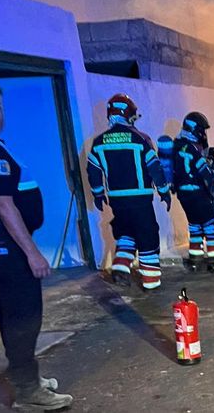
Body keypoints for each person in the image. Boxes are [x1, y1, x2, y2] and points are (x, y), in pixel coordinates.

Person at [0, 78, 73, 410]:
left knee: (9, 314)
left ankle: (26, 376)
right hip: (6, 247)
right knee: (24, 316)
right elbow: (3, 203)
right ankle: (29, 393)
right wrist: (32, 253)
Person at [87, 94, 171, 290]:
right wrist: (164, 191)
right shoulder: (140, 139)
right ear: (129, 115)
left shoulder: (99, 142)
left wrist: (98, 194)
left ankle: (120, 269)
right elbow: (155, 167)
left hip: (117, 200)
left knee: (125, 233)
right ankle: (151, 281)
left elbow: (93, 169)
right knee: (147, 235)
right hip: (140, 199)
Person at [170, 112, 214, 268]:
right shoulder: (192, 149)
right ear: (196, 129)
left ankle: (195, 258)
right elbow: (206, 174)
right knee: (210, 224)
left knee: (195, 224)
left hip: (183, 195)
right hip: (197, 193)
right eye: (202, 130)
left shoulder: (177, 145)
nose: (204, 134)